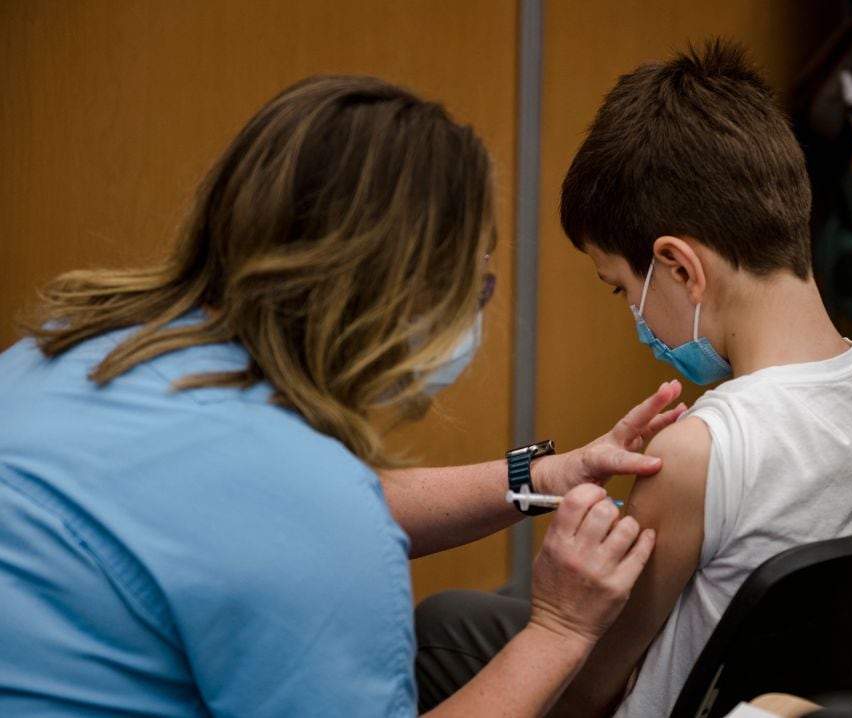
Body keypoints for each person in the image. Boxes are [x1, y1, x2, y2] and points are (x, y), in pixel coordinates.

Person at [0, 75, 688, 717]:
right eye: (473, 289)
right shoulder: (307, 513)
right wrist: (560, 628)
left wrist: (539, 478)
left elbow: (246, 513)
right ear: (404, 293)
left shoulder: (75, 350)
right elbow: (297, 520)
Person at [414, 40, 852, 717]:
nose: (634, 315)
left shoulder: (698, 452)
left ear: (680, 267)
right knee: (456, 617)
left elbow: (588, 694)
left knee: (439, 628)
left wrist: (561, 606)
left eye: (620, 289)